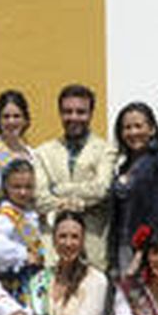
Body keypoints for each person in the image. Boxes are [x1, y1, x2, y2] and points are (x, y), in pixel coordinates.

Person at [33, 84, 115, 266]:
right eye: (67, 111)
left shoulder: (106, 150)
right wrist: (79, 202)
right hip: (54, 247)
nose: (74, 117)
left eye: (81, 112)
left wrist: (59, 190)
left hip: (93, 246)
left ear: (91, 113)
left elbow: (101, 190)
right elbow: (40, 199)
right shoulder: (42, 153)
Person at [107, 102, 158, 275]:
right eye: (127, 128)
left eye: (138, 126)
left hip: (147, 252)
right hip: (123, 247)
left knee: (142, 300)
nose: (133, 132)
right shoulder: (124, 166)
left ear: (152, 129)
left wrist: (142, 252)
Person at [0, 159, 46, 303]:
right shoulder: (5, 217)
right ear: (5, 187)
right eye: (16, 187)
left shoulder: (29, 213)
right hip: (17, 284)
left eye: (28, 187)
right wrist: (23, 255)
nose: (23, 192)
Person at [0, 90, 35, 196]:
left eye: (16, 116)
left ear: (25, 120)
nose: (11, 121)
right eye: (6, 117)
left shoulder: (32, 154)